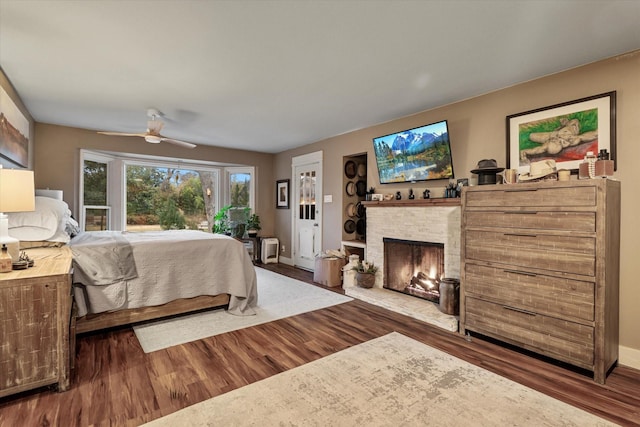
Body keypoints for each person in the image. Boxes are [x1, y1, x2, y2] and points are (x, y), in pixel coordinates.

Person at [520, 118, 597, 162]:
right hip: (558, 133)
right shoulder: (571, 139)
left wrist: (524, 152)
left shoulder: (547, 145)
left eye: (555, 141)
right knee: (575, 121)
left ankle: (563, 125)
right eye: (558, 142)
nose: (557, 140)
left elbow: (536, 150)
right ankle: (564, 125)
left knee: (531, 136)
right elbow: (584, 136)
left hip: (551, 135)